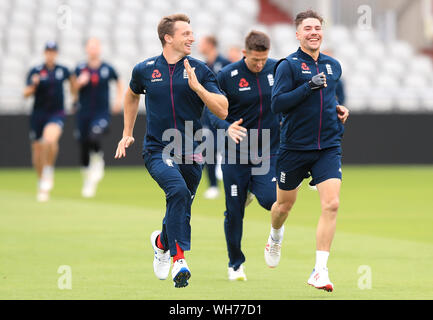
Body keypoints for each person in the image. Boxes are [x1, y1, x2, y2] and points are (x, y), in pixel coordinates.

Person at [114, 14, 228, 288]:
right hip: (157, 149)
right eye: (186, 33)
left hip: (192, 151)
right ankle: (179, 258)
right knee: (177, 192)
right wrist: (127, 132)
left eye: (192, 33)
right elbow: (131, 94)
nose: (192, 38)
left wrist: (197, 87)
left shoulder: (200, 70)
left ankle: (161, 242)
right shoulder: (145, 69)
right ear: (168, 38)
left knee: (181, 203)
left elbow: (223, 109)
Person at [264, 10, 349, 292]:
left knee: (332, 204)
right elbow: (278, 105)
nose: (314, 32)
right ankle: (275, 234)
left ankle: (320, 271)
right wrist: (307, 88)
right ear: (298, 34)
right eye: (308, 28)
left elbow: (329, 97)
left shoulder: (333, 65)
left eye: (317, 28)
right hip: (294, 149)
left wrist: (338, 110)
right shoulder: (287, 66)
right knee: (283, 207)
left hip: (327, 146)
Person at [205, 31, 279, 281]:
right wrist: (227, 127)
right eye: (255, 59)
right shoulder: (227, 75)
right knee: (234, 211)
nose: (260, 64)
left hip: (269, 148)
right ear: (244, 53)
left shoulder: (278, 69)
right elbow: (210, 112)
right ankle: (235, 263)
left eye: (263, 59)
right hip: (236, 152)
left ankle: (255, 193)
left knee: (270, 201)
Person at [23, 41, 75, 202]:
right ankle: (41, 182)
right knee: (37, 151)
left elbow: (74, 84)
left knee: (49, 139)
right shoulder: (36, 71)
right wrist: (34, 84)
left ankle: (48, 170)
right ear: (45, 53)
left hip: (56, 113)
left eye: (53, 51)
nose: (50, 54)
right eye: (48, 51)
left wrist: (75, 98)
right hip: (38, 114)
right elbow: (26, 93)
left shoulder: (63, 70)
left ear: (56, 53)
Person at [74, 38, 124, 198]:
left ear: (99, 49)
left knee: (94, 136)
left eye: (96, 47)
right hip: (83, 112)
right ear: (87, 49)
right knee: (83, 147)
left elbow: (119, 82)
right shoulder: (80, 68)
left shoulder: (107, 68)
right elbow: (72, 88)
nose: (93, 49)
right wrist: (78, 84)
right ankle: (88, 181)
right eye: (91, 47)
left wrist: (118, 100)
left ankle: (99, 159)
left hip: (101, 112)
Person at [198, 35, 231, 199]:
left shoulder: (225, 63)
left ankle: (225, 173)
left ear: (210, 44)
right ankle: (212, 186)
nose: (199, 45)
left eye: (202, 42)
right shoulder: (203, 66)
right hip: (207, 114)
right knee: (207, 148)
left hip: (223, 113)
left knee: (223, 145)